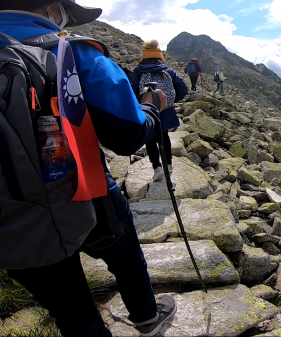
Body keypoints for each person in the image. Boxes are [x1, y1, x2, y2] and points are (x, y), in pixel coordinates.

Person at [0, 1, 177, 336]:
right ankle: (147, 319)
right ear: (54, 9)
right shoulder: (72, 52)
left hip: (8, 217)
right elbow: (127, 135)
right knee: (125, 254)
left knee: (69, 307)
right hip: (82, 191)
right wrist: (152, 109)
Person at [131, 40, 188, 181]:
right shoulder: (168, 71)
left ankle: (157, 168)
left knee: (149, 138)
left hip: (146, 111)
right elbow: (183, 89)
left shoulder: (138, 71)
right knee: (165, 137)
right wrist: (168, 102)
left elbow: (132, 91)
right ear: (159, 55)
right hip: (165, 112)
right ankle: (168, 165)